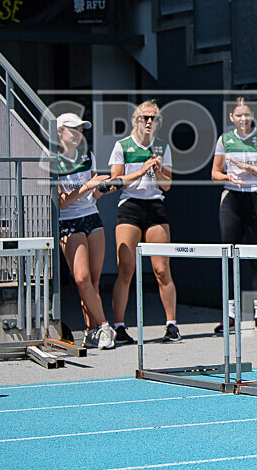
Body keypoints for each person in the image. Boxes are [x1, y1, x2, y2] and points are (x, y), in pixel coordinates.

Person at [108, 100, 180, 344]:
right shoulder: (123, 146)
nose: (148, 122)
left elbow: (167, 185)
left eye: (153, 118)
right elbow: (116, 181)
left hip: (155, 206)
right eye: (144, 117)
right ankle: (119, 326)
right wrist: (141, 170)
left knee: (162, 269)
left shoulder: (162, 147)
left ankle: (172, 324)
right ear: (136, 120)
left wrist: (157, 169)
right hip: (130, 206)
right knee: (126, 269)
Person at [211, 97, 257, 334]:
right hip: (231, 197)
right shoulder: (225, 140)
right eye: (238, 115)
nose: (243, 119)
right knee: (228, 255)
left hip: (256, 196)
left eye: (246, 115)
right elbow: (214, 173)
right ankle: (229, 315)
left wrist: (250, 168)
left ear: (252, 116)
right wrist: (228, 177)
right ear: (232, 118)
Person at [55, 113, 116, 350]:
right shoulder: (53, 159)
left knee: (93, 281)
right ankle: (104, 326)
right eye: (74, 129)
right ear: (59, 132)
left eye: (81, 130)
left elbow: (93, 193)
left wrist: (102, 188)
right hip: (69, 222)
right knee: (81, 279)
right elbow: (60, 202)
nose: (79, 134)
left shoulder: (86, 155)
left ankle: (92, 331)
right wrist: (87, 186)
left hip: (92, 217)